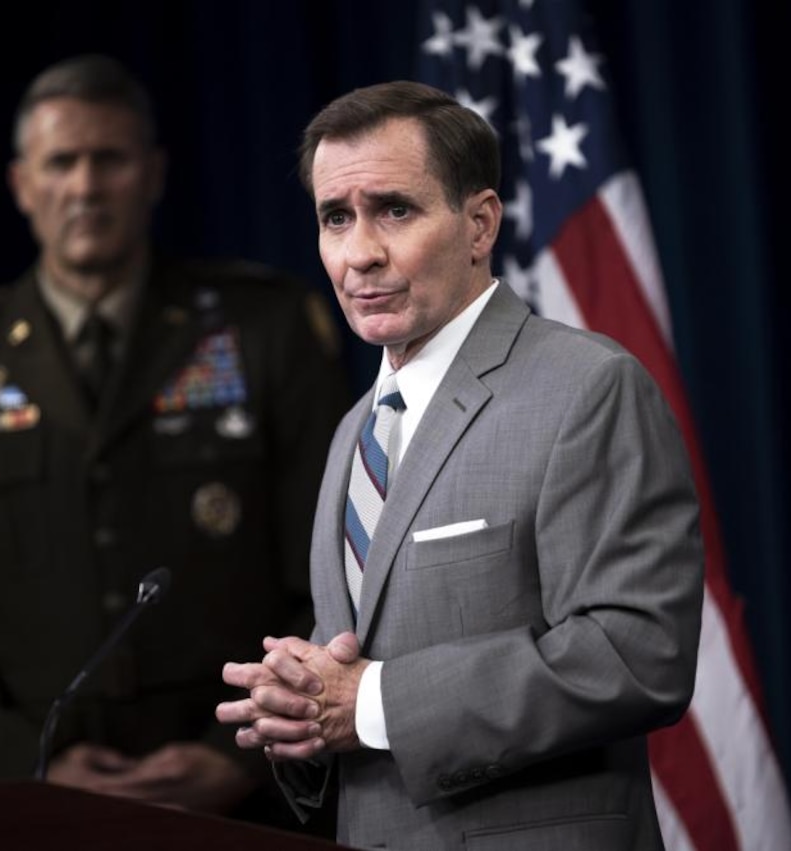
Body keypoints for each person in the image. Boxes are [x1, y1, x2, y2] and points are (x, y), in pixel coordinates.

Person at [215, 80, 705, 849]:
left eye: (394, 210)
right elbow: (357, 674)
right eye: (335, 218)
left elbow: (635, 653)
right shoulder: (354, 432)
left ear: (479, 224)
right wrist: (304, 711)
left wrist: (372, 701)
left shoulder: (585, 388)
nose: (360, 252)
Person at [0, 53, 349, 826]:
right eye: (62, 162)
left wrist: (242, 749)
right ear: (22, 184)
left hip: (251, 801)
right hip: (37, 811)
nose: (87, 187)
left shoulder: (263, 327)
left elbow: (331, 579)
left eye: (110, 159)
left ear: (154, 173)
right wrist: (26, 767)